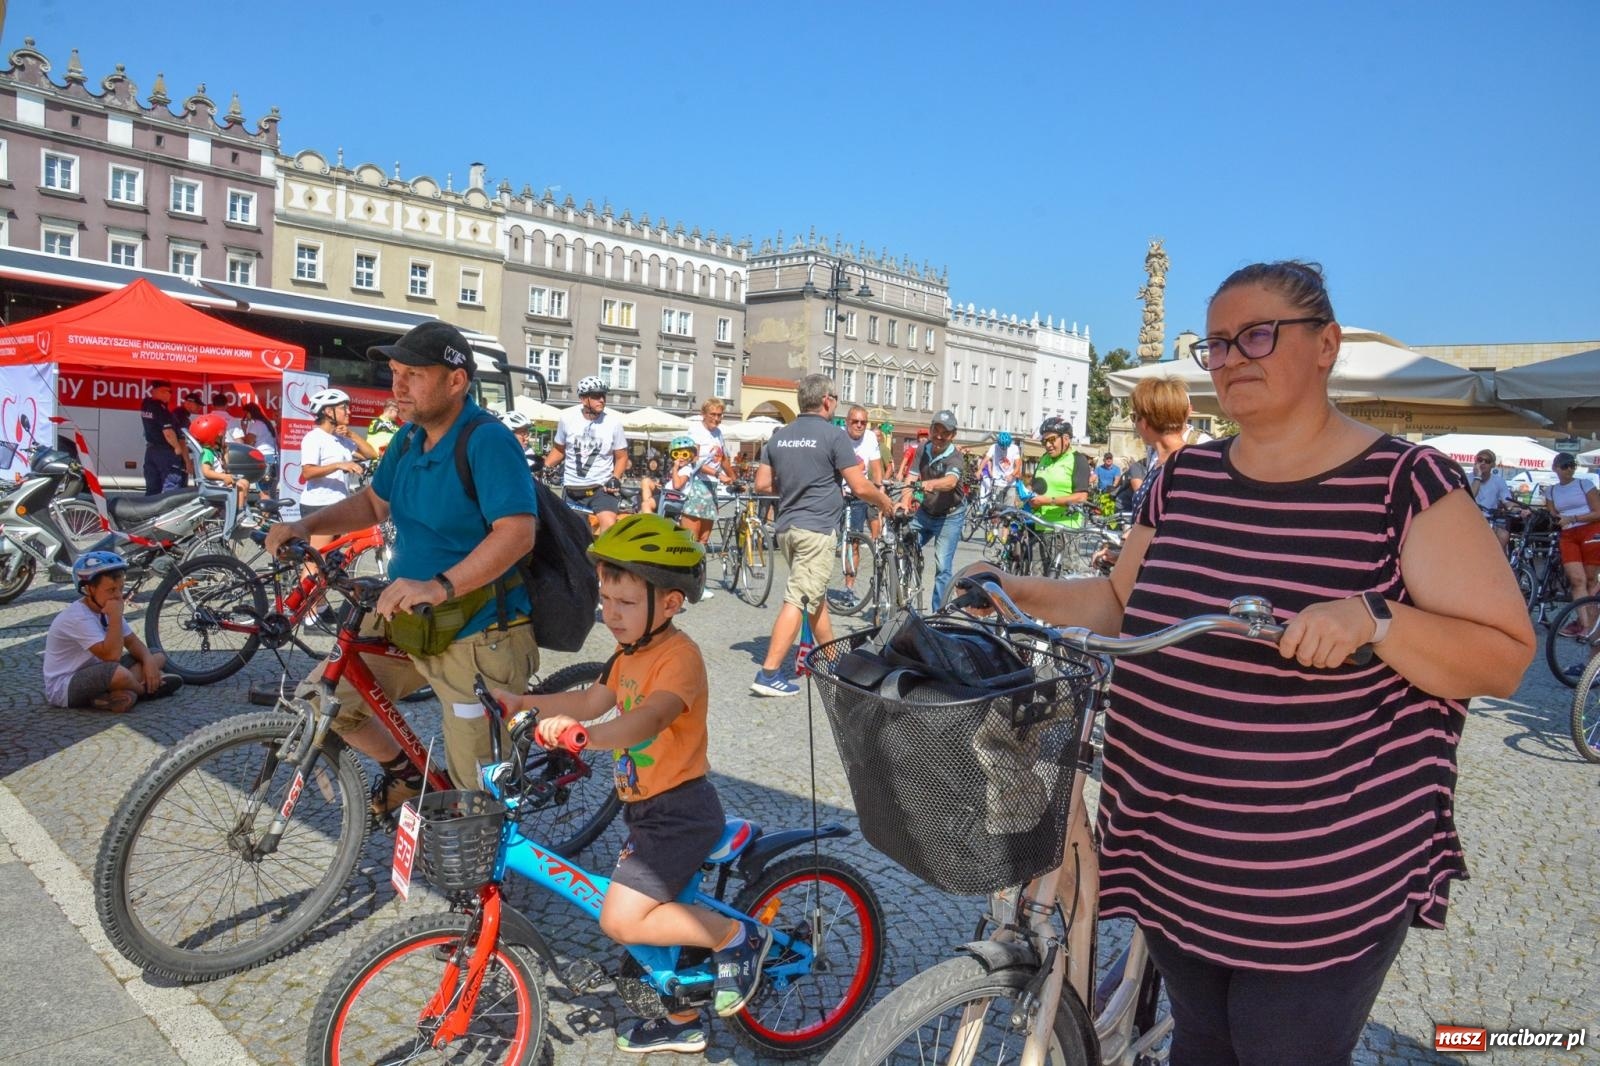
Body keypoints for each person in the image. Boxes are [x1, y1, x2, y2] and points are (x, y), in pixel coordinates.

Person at [958, 260, 1533, 1066]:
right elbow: (1122, 600)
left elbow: (1504, 656)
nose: (1231, 358)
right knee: (1203, 1042)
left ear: (1326, 344)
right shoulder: (1185, 477)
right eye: (1217, 344)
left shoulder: (1405, 483)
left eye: (1256, 335)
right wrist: (1010, 589)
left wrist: (1377, 619)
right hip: (1174, 842)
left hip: (1319, 871)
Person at [493, 515, 770, 1053]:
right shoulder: (628, 655)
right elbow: (589, 700)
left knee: (622, 919)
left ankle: (737, 936)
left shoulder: (680, 658)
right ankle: (682, 1020)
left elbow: (649, 719)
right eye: (605, 599)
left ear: (670, 603)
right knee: (650, 929)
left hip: (681, 812)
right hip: (644, 811)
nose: (610, 613)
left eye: (625, 602)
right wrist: (523, 702)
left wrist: (586, 738)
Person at [265, 320, 540, 803]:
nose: (398, 386)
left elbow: (517, 533)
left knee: (475, 789)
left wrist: (439, 585)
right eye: (395, 372)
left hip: (477, 629)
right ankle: (408, 773)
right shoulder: (410, 439)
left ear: (456, 381)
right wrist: (306, 525)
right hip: (408, 612)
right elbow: (375, 503)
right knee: (323, 703)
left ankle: (477, 843)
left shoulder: (486, 440)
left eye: (413, 374)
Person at [752, 374, 894, 696]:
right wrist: (884, 501)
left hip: (787, 527)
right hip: (815, 529)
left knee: (813, 596)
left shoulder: (780, 436)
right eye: (836, 399)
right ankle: (768, 673)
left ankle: (832, 660)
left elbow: (762, 484)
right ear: (827, 400)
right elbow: (859, 486)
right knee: (799, 597)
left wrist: (795, 483)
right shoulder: (834, 436)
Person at [44, 551, 180, 713]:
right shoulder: (78, 617)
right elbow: (111, 656)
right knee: (118, 673)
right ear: (88, 589)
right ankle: (145, 690)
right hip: (66, 686)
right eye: (111, 590)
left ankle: (116, 694)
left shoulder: (107, 605)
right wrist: (115, 616)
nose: (118, 596)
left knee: (156, 655)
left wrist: (149, 663)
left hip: (100, 670)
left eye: (121, 589)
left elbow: (132, 642)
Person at [545, 375, 630, 532]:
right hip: (573, 489)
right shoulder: (567, 419)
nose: (602, 400)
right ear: (583, 399)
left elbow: (622, 457)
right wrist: (543, 467)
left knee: (609, 525)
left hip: (601, 488)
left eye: (603, 395)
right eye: (596, 396)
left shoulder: (613, 423)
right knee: (573, 534)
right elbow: (558, 450)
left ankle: (604, 550)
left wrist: (615, 478)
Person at [297, 388, 379, 549]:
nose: (349, 411)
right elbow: (307, 472)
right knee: (317, 558)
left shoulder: (341, 439)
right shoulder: (314, 438)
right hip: (320, 505)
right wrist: (339, 465)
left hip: (338, 505)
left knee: (332, 558)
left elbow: (371, 454)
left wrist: (351, 435)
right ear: (328, 411)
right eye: (343, 408)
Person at [902, 410, 967, 610]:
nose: (939, 436)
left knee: (942, 567)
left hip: (950, 516)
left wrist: (930, 484)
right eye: (936, 430)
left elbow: (951, 481)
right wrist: (904, 501)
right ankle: (904, 600)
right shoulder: (923, 448)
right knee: (903, 547)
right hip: (925, 512)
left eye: (945, 433)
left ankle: (939, 614)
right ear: (930, 430)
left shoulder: (955, 457)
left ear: (953, 435)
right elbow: (911, 477)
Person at [1544, 451, 1600, 645]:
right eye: (1565, 466)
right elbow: (1554, 515)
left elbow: (1598, 512)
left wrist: (1573, 518)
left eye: (1572, 465)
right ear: (1555, 468)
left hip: (1590, 530)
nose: (1569, 469)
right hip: (1568, 535)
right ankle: (1585, 624)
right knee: (1577, 580)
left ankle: (1590, 623)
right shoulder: (1551, 491)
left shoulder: (1585, 484)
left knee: (1590, 579)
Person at [840, 404, 885, 605]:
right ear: (847, 422)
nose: (859, 425)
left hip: (858, 494)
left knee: (854, 543)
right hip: (836, 494)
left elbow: (876, 467)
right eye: (855, 421)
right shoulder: (838, 436)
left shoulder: (870, 438)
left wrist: (879, 489)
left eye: (863, 422)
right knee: (827, 539)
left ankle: (849, 588)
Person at [1028, 417, 1091, 527]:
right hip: (1039, 525)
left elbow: (1081, 498)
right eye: (1044, 441)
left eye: (1052, 439)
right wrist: (1027, 492)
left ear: (1066, 439)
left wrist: (1048, 501)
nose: (1048, 445)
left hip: (1065, 528)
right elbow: (1033, 485)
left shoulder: (1078, 460)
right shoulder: (1044, 458)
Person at [188, 412, 253, 518]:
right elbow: (206, 472)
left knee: (245, 482)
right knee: (240, 487)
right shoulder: (207, 453)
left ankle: (241, 508)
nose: (225, 438)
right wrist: (223, 477)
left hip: (220, 483)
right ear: (214, 437)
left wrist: (225, 453)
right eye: (223, 436)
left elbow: (225, 467)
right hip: (214, 486)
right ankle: (238, 514)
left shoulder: (215, 451)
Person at [140, 380, 188, 494]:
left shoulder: (146, 404)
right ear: (156, 391)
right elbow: (168, 432)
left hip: (151, 450)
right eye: (166, 391)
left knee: (152, 488)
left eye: (170, 392)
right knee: (171, 486)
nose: (169, 395)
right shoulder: (161, 409)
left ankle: (151, 506)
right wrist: (177, 448)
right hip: (165, 451)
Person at [1467, 449, 1516, 550]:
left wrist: (1520, 509)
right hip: (1469, 518)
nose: (1483, 463)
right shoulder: (1467, 478)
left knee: (1503, 535)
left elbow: (1508, 502)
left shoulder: (1499, 481)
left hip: (1489, 520)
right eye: (1480, 460)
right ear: (1475, 462)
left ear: (1493, 465)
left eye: (1487, 461)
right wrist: (1478, 477)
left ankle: (1497, 559)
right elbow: (1470, 498)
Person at [978, 430, 1020, 510]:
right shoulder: (994, 447)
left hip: (1010, 484)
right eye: (1002, 446)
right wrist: (979, 470)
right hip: (998, 483)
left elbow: (1018, 465)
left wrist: (1012, 475)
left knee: (1009, 510)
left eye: (1006, 446)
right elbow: (986, 459)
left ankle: (1007, 518)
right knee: (996, 509)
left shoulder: (1015, 448)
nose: (1004, 448)